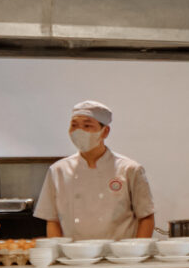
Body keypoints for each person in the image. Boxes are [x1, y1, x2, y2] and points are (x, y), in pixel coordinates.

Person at [35, 99, 155, 241]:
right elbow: (52, 220)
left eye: (87, 125)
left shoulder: (129, 169)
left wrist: (137, 249)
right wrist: (57, 249)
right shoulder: (58, 171)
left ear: (105, 132)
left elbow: (146, 217)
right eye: (74, 125)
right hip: (73, 252)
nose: (79, 131)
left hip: (118, 252)